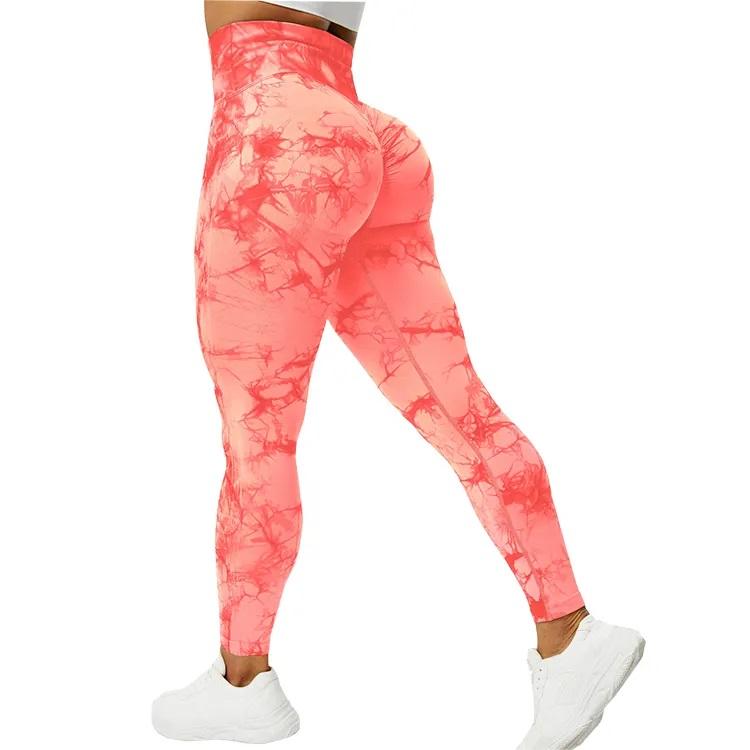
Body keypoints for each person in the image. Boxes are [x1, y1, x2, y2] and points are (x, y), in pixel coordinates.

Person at [151, 3, 645, 747]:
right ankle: (570, 633)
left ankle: (243, 682)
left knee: (259, 438)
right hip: (362, 137)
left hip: (271, 138)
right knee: (460, 407)